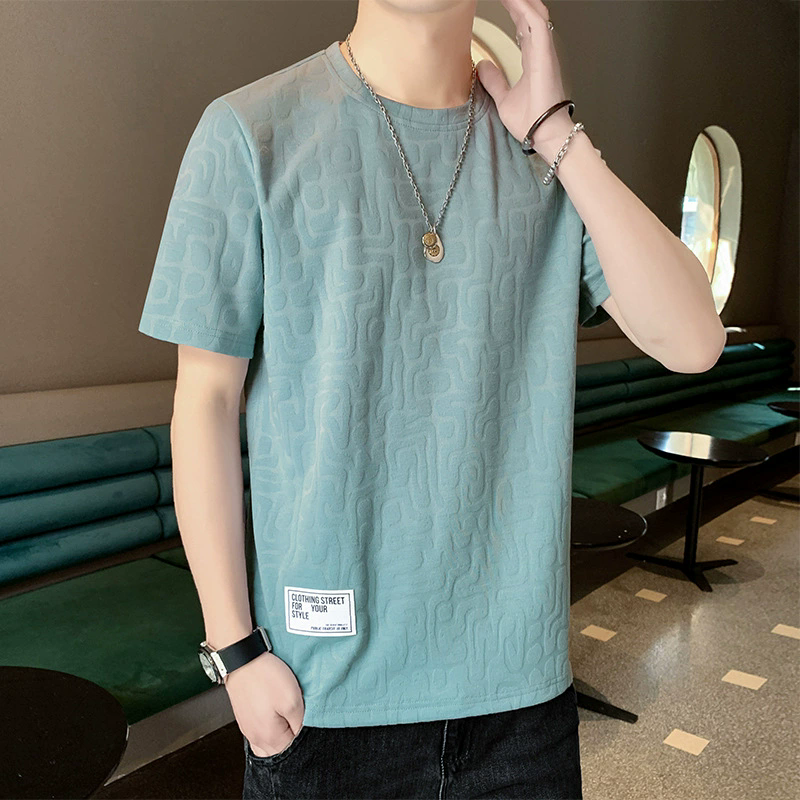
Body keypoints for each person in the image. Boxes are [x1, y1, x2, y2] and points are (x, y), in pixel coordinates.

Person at [137, 1, 615, 797]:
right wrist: (235, 651)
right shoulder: (249, 131)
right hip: (321, 695)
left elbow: (692, 341)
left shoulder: (543, 153)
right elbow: (205, 403)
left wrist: (560, 131)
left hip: (519, 705)